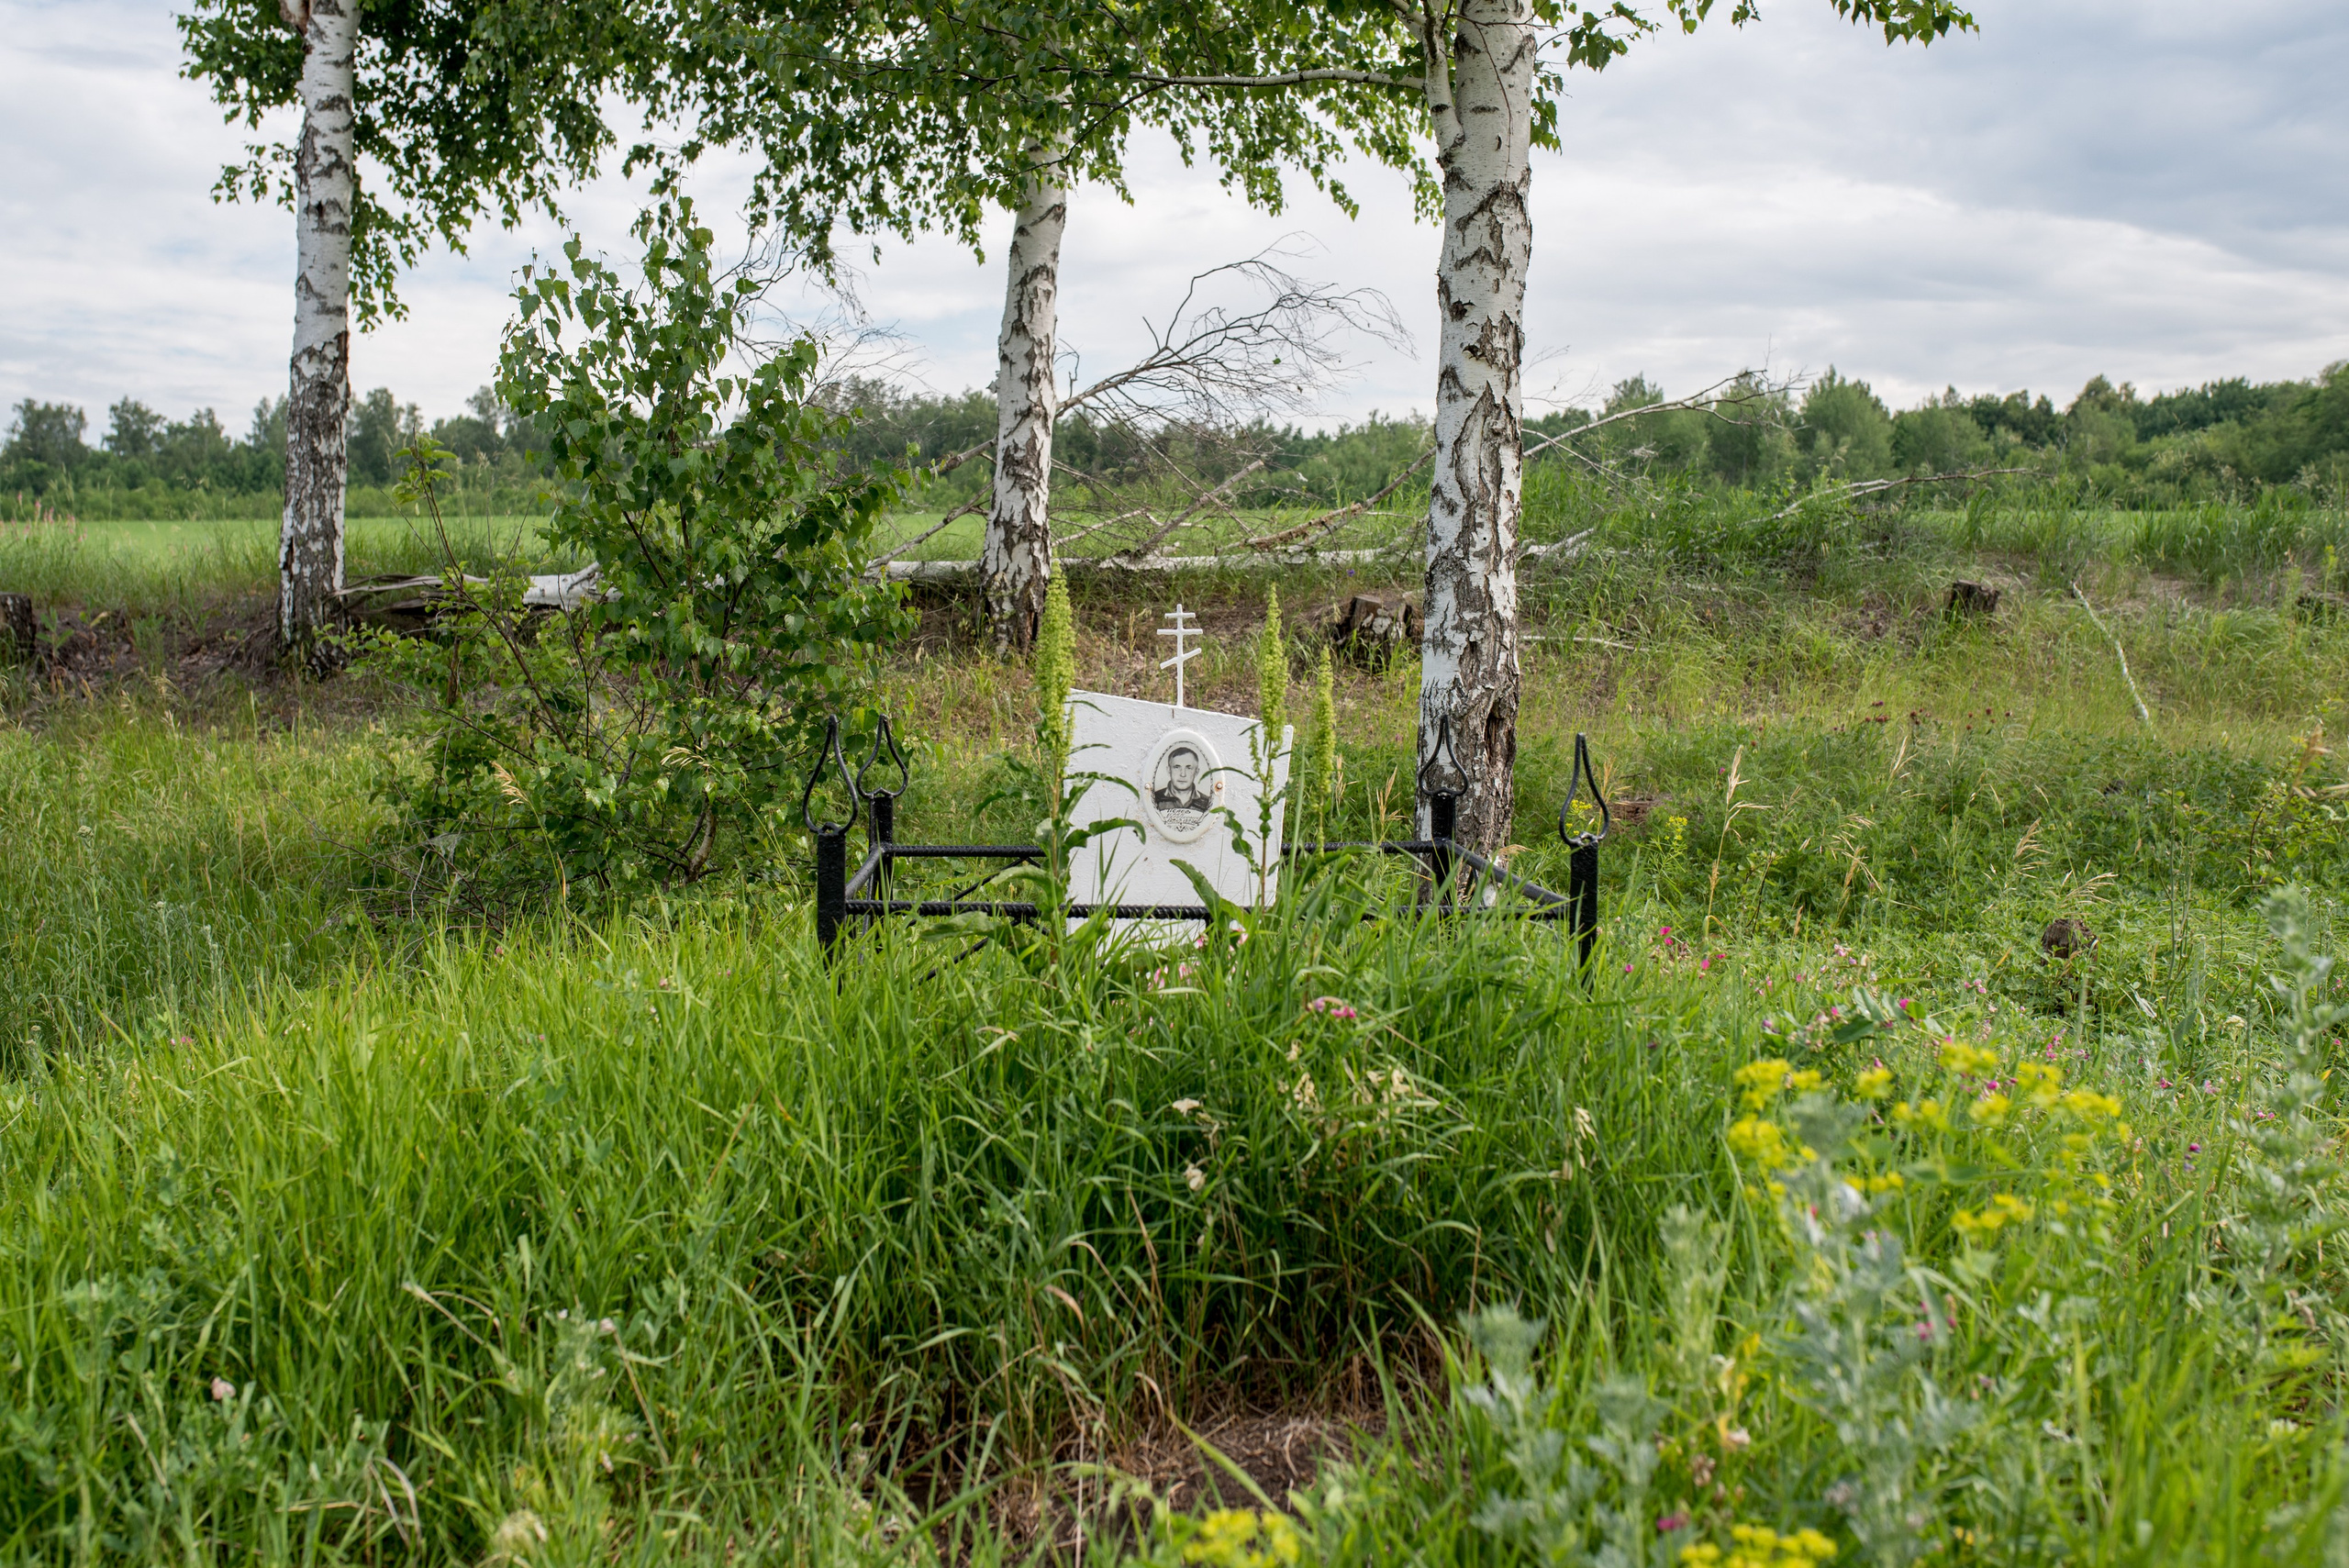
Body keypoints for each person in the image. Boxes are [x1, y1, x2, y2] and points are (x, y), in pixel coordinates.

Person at [1152, 745, 1213, 815]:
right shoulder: (1154, 799)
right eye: (1177, 767)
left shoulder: (1207, 803)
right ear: (1169, 770)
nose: (1183, 774)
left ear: (1196, 772)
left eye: (1188, 768)